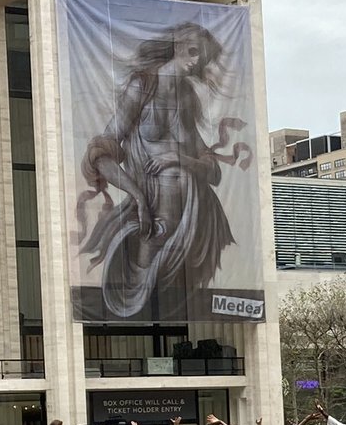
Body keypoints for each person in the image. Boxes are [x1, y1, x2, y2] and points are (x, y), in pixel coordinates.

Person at [76, 22, 252, 319]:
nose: (197, 61)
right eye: (193, 51)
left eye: (204, 58)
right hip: (156, 215)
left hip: (195, 217)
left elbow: (212, 171)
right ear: (177, 45)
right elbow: (101, 153)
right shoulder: (142, 86)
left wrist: (178, 159)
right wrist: (138, 197)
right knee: (143, 301)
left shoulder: (187, 98)